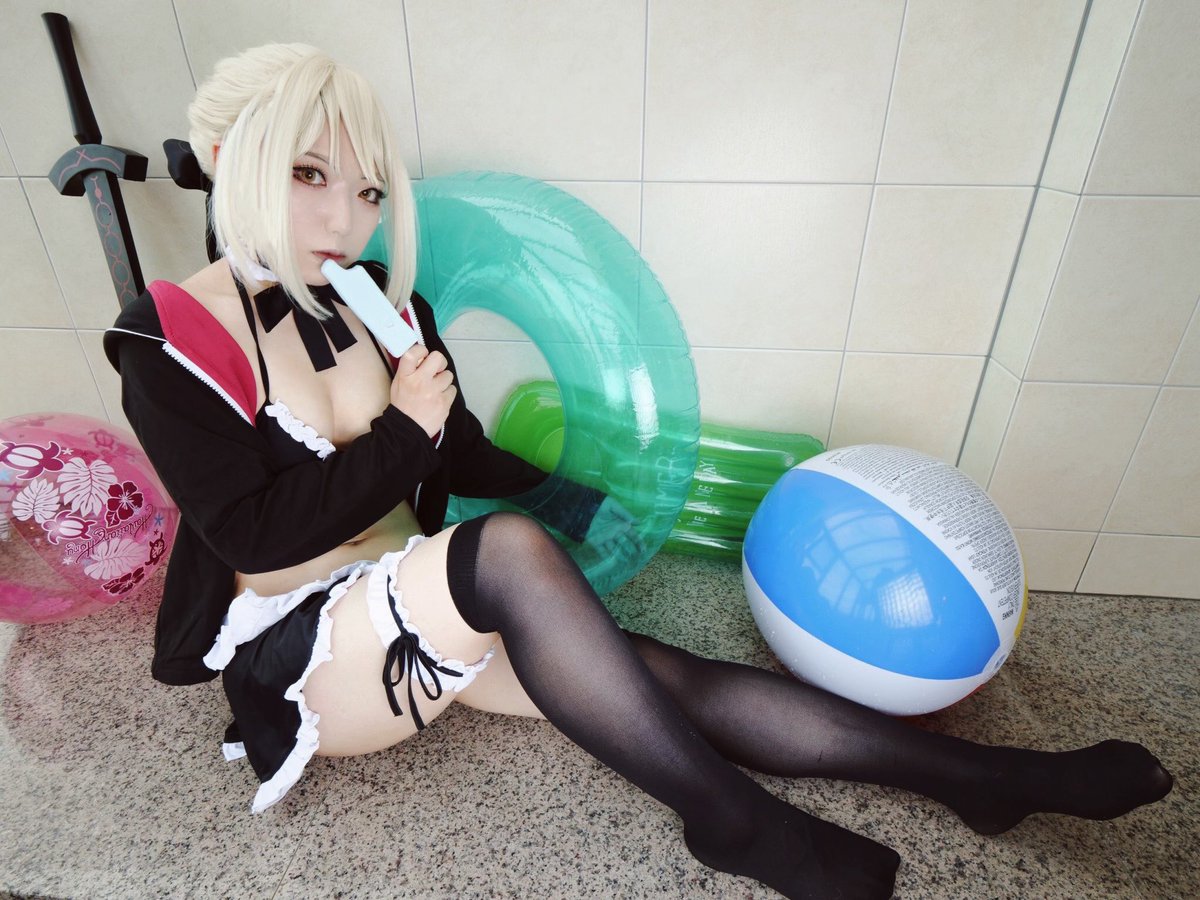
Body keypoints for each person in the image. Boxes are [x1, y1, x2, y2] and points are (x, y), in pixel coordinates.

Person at [104, 44, 1172, 900]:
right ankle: (732, 821)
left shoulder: (381, 303)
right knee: (503, 552)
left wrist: (575, 498)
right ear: (227, 156)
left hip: (412, 601)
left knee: (655, 676)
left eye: (368, 189)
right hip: (309, 659)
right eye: (309, 175)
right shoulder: (168, 339)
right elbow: (250, 533)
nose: (344, 217)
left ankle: (988, 779)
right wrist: (402, 434)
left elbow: (456, 448)